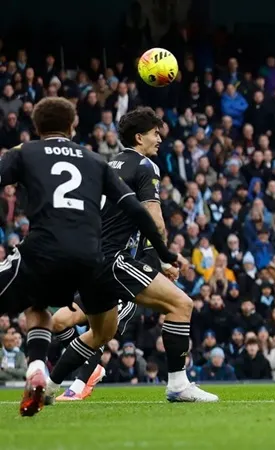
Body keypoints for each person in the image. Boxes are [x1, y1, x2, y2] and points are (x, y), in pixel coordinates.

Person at [0, 98, 179, 416]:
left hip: (42, 248)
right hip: (91, 257)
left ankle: (38, 365)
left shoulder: (24, 152)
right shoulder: (94, 159)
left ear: (37, 127)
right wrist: (165, 253)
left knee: (37, 305)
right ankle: (68, 373)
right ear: (73, 126)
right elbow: (137, 210)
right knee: (102, 331)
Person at [44, 107, 218, 404]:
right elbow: (154, 219)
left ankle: (47, 388)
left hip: (89, 262)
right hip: (113, 260)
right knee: (181, 304)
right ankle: (178, 384)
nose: (159, 139)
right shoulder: (145, 166)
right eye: (154, 133)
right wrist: (165, 256)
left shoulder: (104, 166)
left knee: (100, 334)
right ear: (139, 137)